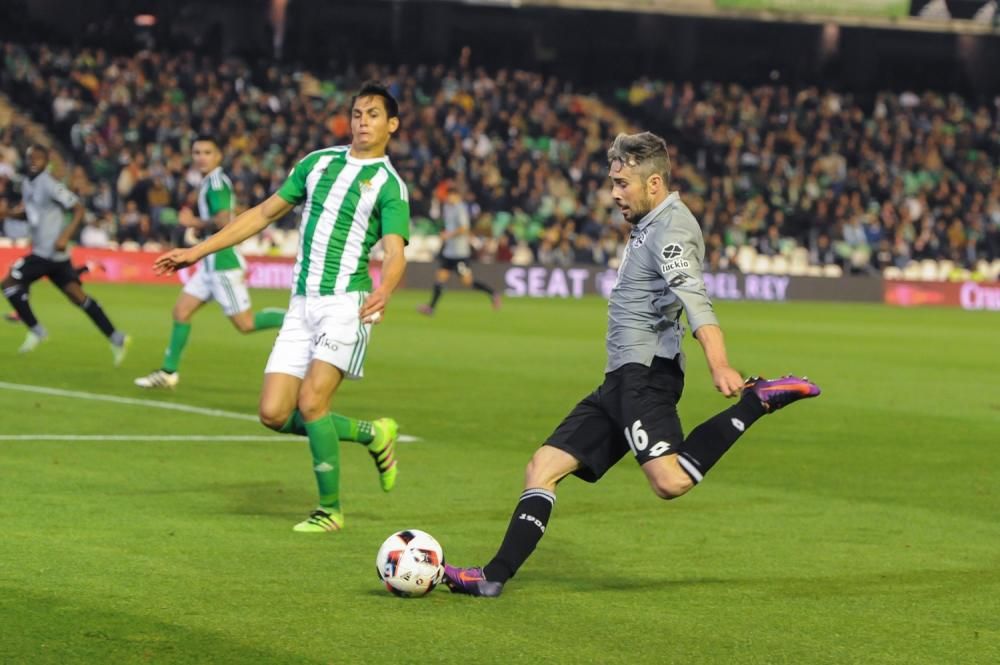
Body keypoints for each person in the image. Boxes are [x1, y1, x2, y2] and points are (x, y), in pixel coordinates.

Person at [444, 132, 821, 597]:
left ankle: (756, 403)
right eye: (612, 182)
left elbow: (695, 299)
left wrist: (719, 363)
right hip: (621, 378)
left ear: (655, 182)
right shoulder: (650, 223)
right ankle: (492, 577)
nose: (614, 194)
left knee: (669, 480)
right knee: (542, 467)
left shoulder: (671, 230)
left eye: (622, 183)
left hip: (645, 375)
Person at [152, 82, 409, 533]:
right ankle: (373, 433)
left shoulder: (389, 185)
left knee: (312, 402)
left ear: (392, 125)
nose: (362, 122)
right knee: (273, 413)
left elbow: (394, 249)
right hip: (300, 306)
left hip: (345, 304)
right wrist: (197, 252)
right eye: (356, 113)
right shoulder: (317, 163)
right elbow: (260, 214)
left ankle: (330, 510)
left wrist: (385, 288)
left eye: (372, 115)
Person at [134, 135, 285, 389]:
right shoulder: (210, 183)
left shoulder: (216, 184)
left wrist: (192, 223)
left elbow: (224, 220)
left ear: (218, 157)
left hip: (223, 265)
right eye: (196, 152)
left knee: (245, 324)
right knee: (181, 311)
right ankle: (169, 372)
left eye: (207, 152)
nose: (201, 157)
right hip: (209, 265)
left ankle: (294, 319)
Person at [1, 144, 129, 363]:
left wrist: (65, 235)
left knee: (9, 283)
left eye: (38, 158)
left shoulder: (50, 184)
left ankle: (36, 331)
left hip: (47, 252)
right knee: (78, 297)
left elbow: (78, 208)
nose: (33, 162)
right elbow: (32, 214)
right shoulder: (27, 184)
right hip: (53, 257)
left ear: (47, 161)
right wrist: (10, 214)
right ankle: (116, 337)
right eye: (30, 157)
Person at [417, 185, 500, 315]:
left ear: (456, 195)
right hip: (449, 252)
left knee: (468, 282)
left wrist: (448, 235)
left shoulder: (460, 208)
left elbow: (464, 228)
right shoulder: (447, 208)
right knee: (440, 278)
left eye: (450, 196)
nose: (448, 198)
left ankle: (492, 293)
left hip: (460, 253)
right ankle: (431, 308)